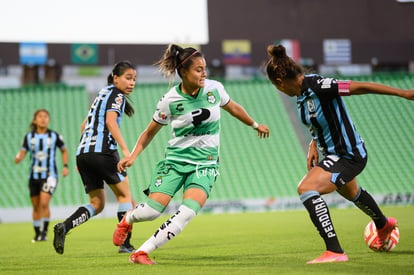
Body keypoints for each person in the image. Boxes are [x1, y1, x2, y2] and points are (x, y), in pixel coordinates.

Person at [112, 44, 270, 265]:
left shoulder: (214, 89)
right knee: (151, 211)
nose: (204, 73)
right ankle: (127, 219)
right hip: (175, 163)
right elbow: (149, 133)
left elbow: (233, 107)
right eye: (198, 69)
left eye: (204, 68)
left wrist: (254, 124)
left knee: (187, 212)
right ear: (183, 72)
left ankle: (141, 252)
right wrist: (133, 156)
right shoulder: (170, 101)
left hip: (205, 164)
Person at [265, 44, 414, 264]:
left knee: (306, 188)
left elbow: (356, 87)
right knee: (352, 193)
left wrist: (402, 93)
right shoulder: (300, 95)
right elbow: (318, 122)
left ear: (279, 82)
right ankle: (384, 225)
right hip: (335, 155)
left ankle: (334, 251)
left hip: (348, 155)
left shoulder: (318, 85)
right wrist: (313, 145)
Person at [53, 61, 137, 255]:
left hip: (83, 154)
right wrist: (126, 150)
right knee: (125, 197)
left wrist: (83, 157)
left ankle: (64, 227)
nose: (132, 83)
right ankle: (125, 244)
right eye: (128, 78)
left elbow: (84, 126)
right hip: (104, 152)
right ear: (116, 78)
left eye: (134, 79)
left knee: (97, 204)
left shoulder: (102, 94)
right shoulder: (117, 96)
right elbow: (110, 121)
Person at [15, 109, 69, 242]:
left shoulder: (54, 136)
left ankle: (44, 233)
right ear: (35, 120)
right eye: (40, 117)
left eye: (45, 116)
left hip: (50, 176)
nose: (43, 119)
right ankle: (37, 233)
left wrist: (65, 166)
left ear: (48, 120)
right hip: (33, 176)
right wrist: (19, 157)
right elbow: (22, 152)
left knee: (44, 203)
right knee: (36, 205)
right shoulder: (29, 137)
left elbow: (64, 150)